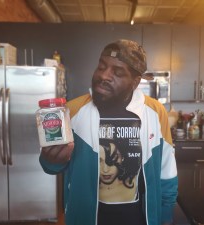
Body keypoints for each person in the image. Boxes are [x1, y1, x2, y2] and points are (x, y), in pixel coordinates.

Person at [40, 39, 178, 225]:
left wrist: (166, 215)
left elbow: (166, 168)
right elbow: (51, 166)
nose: (104, 76)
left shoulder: (155, 112)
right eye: (101, 67)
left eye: (117, 72)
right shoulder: (72, 111)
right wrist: (51, 160)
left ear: (135, 82)